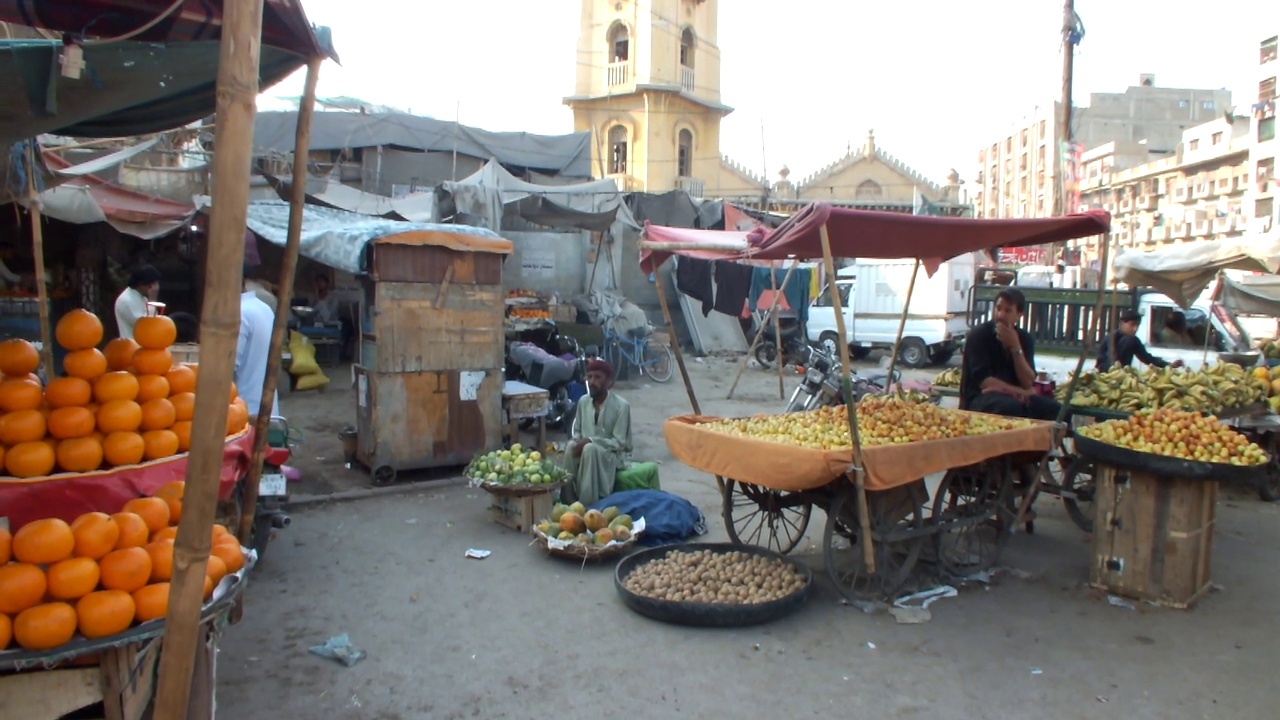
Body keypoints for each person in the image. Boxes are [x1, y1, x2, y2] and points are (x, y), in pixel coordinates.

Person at [563, 359, 659, 505]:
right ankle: (568, 500)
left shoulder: (621, 406)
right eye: (589, 377)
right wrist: (577, 441)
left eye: (597, 377)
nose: (592, 381)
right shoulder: (583, 402)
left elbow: (620, 443)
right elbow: (577, 431)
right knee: (570, 446)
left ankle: (588, 504)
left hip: (613, 454)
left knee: (590, 449)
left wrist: (590, 441)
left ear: (608, 381)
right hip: (589, 450)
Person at [961, 288, 1061, 421]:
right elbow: (986, 383)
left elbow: (1027, 382)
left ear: (1019, 315)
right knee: (1011, 408)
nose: (1000, 315)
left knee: (1058, 411)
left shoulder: (1024, 338)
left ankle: (1048, 441)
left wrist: (1016, 347)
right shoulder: (978, 336)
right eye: (998, 308)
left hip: (1016, 397)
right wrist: (1021, 393)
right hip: (980, 398)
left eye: (1008, 311)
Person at [236, 278, 279, 419]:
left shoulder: (240, 313)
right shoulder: (263, 308)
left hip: (246, 411)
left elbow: (229, 366)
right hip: (266, 407)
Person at [1097, 309, 1184, 370]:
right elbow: (1107, 360)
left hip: (1123, 376)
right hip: (1105, 375)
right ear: (1122, 323)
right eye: (1132, 324)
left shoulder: (1134, 340)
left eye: (1137, 325)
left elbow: (1147, 358)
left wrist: (1169, 365)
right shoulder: (1111, 337)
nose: (1135, 328)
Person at [311, 273, 354, 361]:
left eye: (321, 282)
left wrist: (321, 302)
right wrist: (316, 295)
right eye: (317, 282)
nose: (319, 284)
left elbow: (333, 312)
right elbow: (311, 310)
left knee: (321, 303)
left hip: (330, 319)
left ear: (326, 283)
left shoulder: (333, 296)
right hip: (316, 320)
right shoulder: (314, 296)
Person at [114, 265, 161, 340]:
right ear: (141, 284)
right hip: (132, 347)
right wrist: (152, 300)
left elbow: (155, 319)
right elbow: (146, 325)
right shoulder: (127, 300)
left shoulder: (142, 297)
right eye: (152, 285)